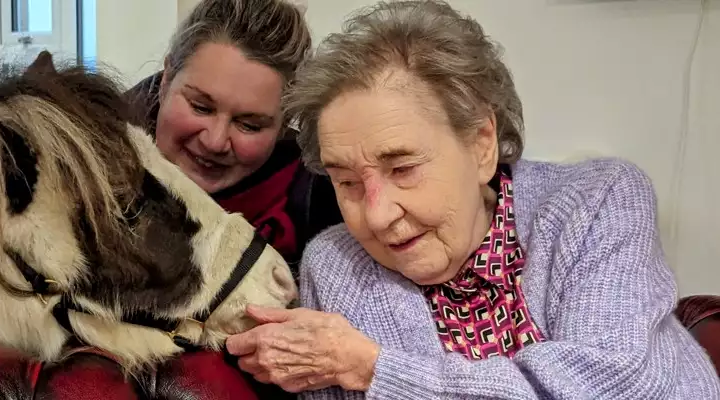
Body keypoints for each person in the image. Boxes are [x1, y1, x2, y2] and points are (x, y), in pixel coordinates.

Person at [224, 1, 720, 398]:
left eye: (403, 168)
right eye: (347, 182)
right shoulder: (336, 264)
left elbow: (615, 387)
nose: (376, 215)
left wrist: (375, 369)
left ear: (482, 144)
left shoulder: (599, 202)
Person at [126, 0, 342, 271]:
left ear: (285, 123)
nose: (214, 142)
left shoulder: (324, 204)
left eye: (249, 125)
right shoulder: (93, 162)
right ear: (167, 79)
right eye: (200, 107)